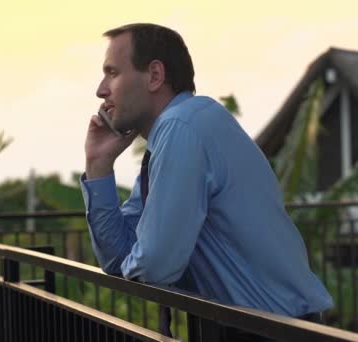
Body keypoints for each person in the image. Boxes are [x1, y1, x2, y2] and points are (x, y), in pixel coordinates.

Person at [80, 23, 332, 339]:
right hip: (254, 328)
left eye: (113, 73)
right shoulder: (171, 139)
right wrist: (98, 164)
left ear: (155, 76)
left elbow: (155, 265)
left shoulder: (182, 128)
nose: (102, 90)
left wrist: (141, 257)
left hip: (272, 332)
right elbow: (118, 259)